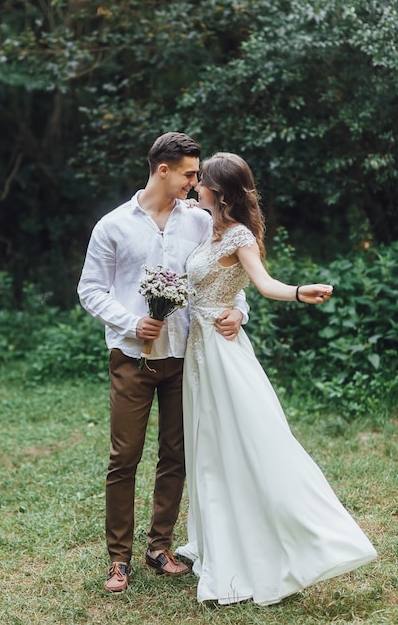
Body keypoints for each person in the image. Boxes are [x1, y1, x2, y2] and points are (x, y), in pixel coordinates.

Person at [175, 152, 377, 605]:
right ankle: (218, 542)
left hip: (223, 354)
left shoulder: (239, 235)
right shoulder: (202, 222)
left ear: (218, 191)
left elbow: (263, 284)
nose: (194, 185)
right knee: (207, 446)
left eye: (200, 180)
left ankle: (302, 539)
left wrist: (301, 292)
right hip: (198, 352)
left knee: (246, 441)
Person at [77, 134, 248, 593]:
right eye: (191, 173)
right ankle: (118, 559)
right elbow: (90, 289)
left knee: (176, 455)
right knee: (124, 457)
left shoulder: (198, 221)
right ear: (163, 170)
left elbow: (226, 272)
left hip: (185, 356)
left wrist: (239, 311)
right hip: (132, 359)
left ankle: (160, 547)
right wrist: (131, 322)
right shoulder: (112, 226)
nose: (197, 183)